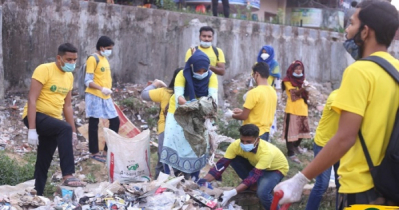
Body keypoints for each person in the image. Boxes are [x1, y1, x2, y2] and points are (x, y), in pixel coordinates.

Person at [274, 1, 399, 208]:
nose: (347, 30)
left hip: (361, 190)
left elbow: (345, 138)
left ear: (365, 31)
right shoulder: (396, 70)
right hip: (393, 185)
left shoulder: (360, 71)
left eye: (351, 23)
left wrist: (300, 180)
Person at [22, 43, 86, 195]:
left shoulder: (69, 76)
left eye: (74, 60)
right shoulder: (44, 70)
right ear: (59, 58)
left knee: (44, 159)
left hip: (53, 121)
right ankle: (68, 174)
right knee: (64, 128)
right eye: (68, 59)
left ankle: (37, 194)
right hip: (36, 116)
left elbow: (68, 106)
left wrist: (74, 132)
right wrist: (32, 129)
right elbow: (32, 99)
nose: (72, 63)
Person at [197, 124, 288, 209]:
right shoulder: (235, 145)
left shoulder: (266, 152)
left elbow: (254, 175)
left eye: (248, 142)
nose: (244, 144)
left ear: (257, 140)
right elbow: (221, 165)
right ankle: (254, 185)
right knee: (233, 158)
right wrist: (202, 181)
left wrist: (232, 192)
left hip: (275, 169)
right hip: (257, 166)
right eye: (242, 141)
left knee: (263, 193)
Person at [160, 50, 218, 179]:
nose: (201, 74)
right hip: (178, 113)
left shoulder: (212, 76)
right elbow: (179, 96)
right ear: (192, 67)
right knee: (173, 141)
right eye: (198, 71)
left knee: (197, 144)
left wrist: (200, 107)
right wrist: (190, 105)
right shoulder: (182, 74)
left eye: (204, 71)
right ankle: (171, 177)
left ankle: (193, 179)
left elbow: (213, 98)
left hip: (200, 114)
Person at [140, 68, 182, 179]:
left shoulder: (165, 93)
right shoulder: (191, 95)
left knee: (164, 159)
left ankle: (160, 185)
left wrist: (156, 83)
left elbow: (144, 94)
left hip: (166, 130)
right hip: (183, 132)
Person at [84, 36, 120, 163]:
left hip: (106, 96)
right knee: (94, 122)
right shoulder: (93, 59)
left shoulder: (104, 59)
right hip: (95, 95)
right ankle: (94, 152)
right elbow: (87, 81)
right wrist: (101, 88)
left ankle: (106, 150)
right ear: (102, 48)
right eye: (109, 48)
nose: (110, 51)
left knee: (115, 121)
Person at [306, 90, 340, 210]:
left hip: (341, 146)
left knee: (341, 184)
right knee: (322, 184)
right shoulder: (336, 96)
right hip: (324, 145)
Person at [228, 62, 277, 142]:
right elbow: (261, 111)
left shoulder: (254, 92)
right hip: (266, 133)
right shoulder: (273, 92)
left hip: (252, 134)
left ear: (257, 74)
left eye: (253, 75)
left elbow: (244, 116)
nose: (253, 78)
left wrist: (231, 115)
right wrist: (241, 111)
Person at [281, 60, 311, 164]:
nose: (299, 71)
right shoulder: (287, 80)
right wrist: (303, 88)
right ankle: (291, 153)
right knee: (291, 132)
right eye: (296, 69)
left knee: (302, 131)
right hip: (292, 109)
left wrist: (306, 89)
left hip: (302, 108)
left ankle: (296, 146)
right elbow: (294, 95)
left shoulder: (303, 80)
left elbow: (305, 93)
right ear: (292, 70)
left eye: (300, 69)